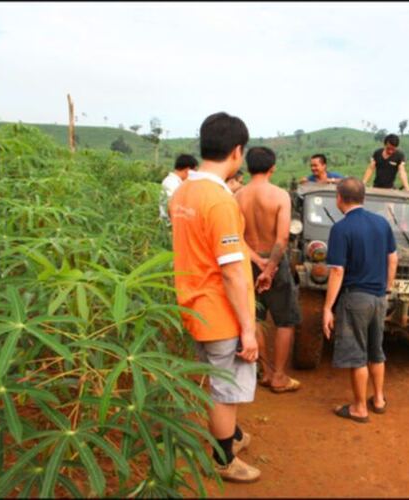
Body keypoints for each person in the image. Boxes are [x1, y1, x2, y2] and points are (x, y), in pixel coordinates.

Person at [169, 112, 261, 483]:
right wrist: (249, 330)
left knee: (215, 377)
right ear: (237, 151)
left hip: (191, 302)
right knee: (225, 389)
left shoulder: (183, 190)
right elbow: (232, 270)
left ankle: (233, 435)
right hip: (219, 311)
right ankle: (224, 458)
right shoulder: (220, 202)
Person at [323, 177, 398, 423]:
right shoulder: (381, 223)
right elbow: (393, 259)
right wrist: (386, 288)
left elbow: (337, 271)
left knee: (357, 353)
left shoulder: (341, 229)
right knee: (377, 351)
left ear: (339, 198)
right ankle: (377, 399)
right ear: (363, 197)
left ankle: (358, 408)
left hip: (355, 298)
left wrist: (327, 308)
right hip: (379, 298)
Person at [235, 146, 302, 394]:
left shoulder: (237, 197)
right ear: (272, 167)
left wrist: (257, 261)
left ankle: (263, 372)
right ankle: (279, 376)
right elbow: (282, 238)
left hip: (247, 261)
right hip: (274, 263)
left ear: (249, 166)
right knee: (285, 321)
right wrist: (270, 267)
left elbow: (236, 237)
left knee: (255, 319)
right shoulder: (279, 195)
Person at [160, 153, 198, 225]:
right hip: (171, 227)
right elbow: (172, 207)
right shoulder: (171, 183)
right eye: (194, 172)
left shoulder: (176, 182)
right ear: (188, 170)